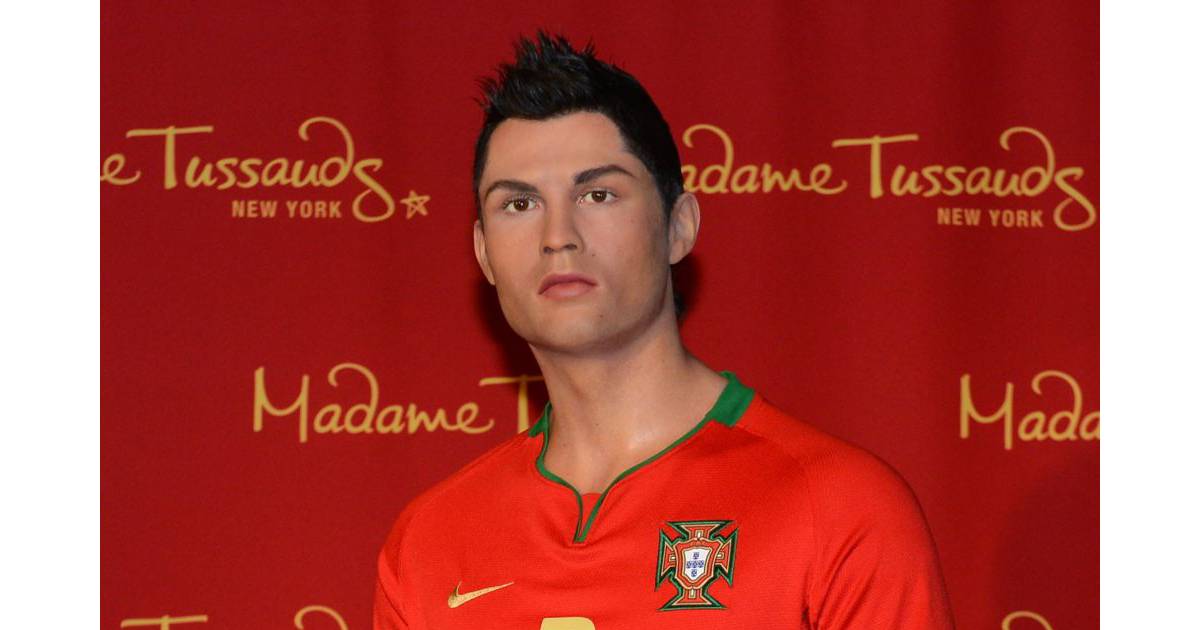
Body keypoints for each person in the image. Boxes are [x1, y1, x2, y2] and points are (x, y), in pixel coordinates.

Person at [374, 31, 955, 630]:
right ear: (484, 253)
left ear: (679, 226)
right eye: (519, 204)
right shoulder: (427, 543)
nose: (557, 236)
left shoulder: (838, 508)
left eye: (598, 194)